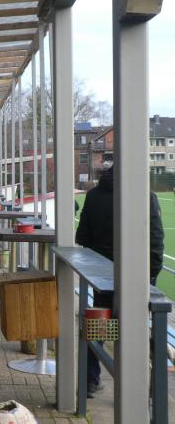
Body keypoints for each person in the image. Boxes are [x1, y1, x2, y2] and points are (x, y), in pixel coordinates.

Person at [75, 166, 164, 398]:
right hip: (135, 281)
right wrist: (151, 277)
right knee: (137, 331)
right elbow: (155, 241)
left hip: (100, 277)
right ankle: (143, 390)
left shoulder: (93, 196)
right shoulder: (146, 196)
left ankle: (90, 381)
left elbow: (81, 237)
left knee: (99, 326)